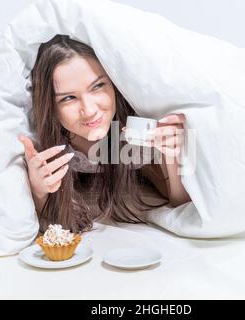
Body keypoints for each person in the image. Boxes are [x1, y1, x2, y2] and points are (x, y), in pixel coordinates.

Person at [18, 35, 191, 234]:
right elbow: (48, 222)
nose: (89, 110)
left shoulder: (135, 132)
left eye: (98, 86)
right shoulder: (45, 146)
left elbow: (180, 205)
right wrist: (38, 191)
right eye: (68, 98)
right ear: (51, 106)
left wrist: (172, 159)